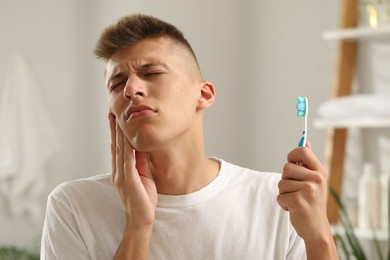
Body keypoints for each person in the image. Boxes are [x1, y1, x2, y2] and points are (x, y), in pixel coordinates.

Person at [41, 13, 338, 260]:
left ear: (204, 93)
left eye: (152, 73)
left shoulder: (279, 200)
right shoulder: (74, 207)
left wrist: (319, 237)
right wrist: (137, 227)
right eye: (117, 83)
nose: (130, 89)